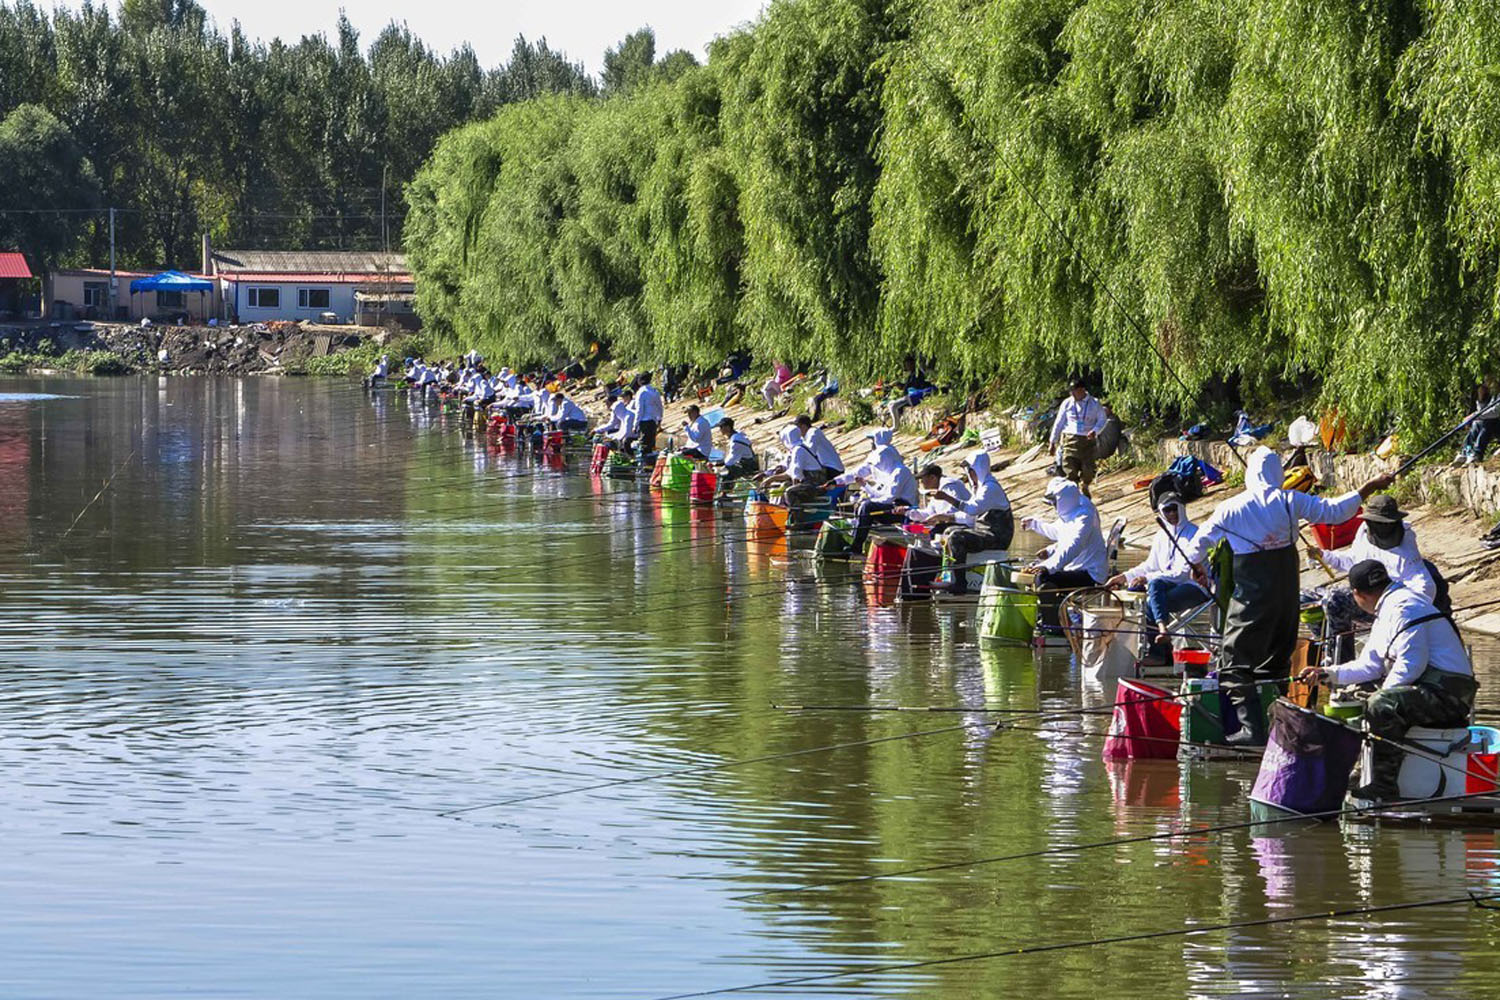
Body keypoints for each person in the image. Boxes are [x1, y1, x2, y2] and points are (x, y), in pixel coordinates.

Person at [1182, 446, 1395, 745]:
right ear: (1276, 474)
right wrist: (1369, 486)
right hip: (1285, 597)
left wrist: (1195, 566)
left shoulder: (1229, 508)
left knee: (1234, 662)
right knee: (1276, 661)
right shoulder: (1289, 500)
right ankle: (1278, 724)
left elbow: (1196, 548)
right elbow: (1336, 511)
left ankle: (1251, 730)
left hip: (1252, 600)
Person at [1298, 560, 1476, 803]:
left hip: (1450, 696)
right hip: (1430, 689)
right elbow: (1369, 665)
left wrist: (1379, 697)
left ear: (1356, 594)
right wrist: (1327, 673)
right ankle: (1363, 770)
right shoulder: (1388, 609)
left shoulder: (1405, 607)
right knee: (1360, 697)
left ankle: (1384, 785)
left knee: (1382, 704)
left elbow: (1411, 665)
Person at [1105, 493, 1208, 664]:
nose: (1172, 514)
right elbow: (1149, 565)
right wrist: (1123, 577)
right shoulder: (1161, 536)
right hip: (1165, 587)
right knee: (1145, 593)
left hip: (1195, 587)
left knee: (1154, 592)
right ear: (1161, 513)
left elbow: (1183, 574)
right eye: (1167, 511)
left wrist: (1147, 578)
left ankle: (1160, 649)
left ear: (1182, 509)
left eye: (1175, 509)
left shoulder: (1193, 533)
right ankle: (1161, 647)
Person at [926, 450, 1014, 595]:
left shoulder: (990, 488)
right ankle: (949, 576)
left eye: (972, 471)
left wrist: (947, 498)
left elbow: (972, 509)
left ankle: (960, 583)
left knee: (956, 538)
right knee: (948, 531)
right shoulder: (980, 488)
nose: (970, 475)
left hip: (997, 536)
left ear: (978, 470)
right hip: (985, 531)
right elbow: (969, 516)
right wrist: (945, 517)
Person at [1024, 477, 1110, 623]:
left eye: (1054, 502)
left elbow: (1074, 545)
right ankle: (1049, 616)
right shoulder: (1072, 512)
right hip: (1076, 568)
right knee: (1036, 574)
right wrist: (1035, 526)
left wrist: (1048, 566)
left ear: (1062, 500)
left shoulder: (1084, 515)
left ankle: (1055, 625)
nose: (1052, 506)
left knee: (1043, 578)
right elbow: (1060, 533)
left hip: (1091, 574)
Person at [835, 430, 918, 554]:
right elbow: (881, 495)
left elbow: (888, 498)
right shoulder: (889, 471)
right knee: (865, 504)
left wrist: (869, 502)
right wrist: (865, 486)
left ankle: (856, 545)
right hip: (893, 505)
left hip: (903, 509)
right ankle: (857, 537)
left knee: (867, 506)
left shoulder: (900, 472)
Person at [1049, 379, 1108, 496]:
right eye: (1071, 392)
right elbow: (1059, 423)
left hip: (1087, 440)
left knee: (1088, 469)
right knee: (1069, 468)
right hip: (1070, 440)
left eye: (1074, 391)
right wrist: (1052, 442)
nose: (1072, 394)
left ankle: (1085, 485)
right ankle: (1074, 491)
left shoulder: (1094, 403)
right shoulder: (1067, 403)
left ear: (1082, 390)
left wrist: (1095, 431)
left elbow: (1102, 420)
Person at [761, 425, 826, 514]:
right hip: (809, 481)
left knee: (790, 492)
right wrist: (770, 479)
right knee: (785, 485)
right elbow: (790, 473)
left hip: (815, 484)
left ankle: (797, 519)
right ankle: (782, 513)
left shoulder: (798, 450)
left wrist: (793, 485)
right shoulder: (798, 448)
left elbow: (796, 473)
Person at [1455, 379, 1500, 466]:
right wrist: (1481, 398)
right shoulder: (1494, 396)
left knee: (1488, 422)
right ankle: (1466, 451)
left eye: (1490, 382)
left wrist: (1475, 416)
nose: (1488, 385)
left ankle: (1477, 453)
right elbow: (1483, 411)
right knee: (1477, 423)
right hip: (1491, 423)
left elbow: (1495, 412)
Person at [885, 354, 934, 428]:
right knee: (890, 403)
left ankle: (895, 427)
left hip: (913, 397)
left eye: (908, 364)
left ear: (913, 363)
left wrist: (903, 386)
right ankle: (895, 424)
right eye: (906, 365)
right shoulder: (911, 375)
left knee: (893, 406)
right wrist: (898, 385)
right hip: (907, 397)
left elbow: (915, 387)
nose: (907, 366)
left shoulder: (917, 374)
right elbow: (906, 387)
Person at [716, 418, 758, 484]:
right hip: (748, 461)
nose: (720, 429)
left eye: (721, 427)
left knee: (725, 472)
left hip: (748, 465)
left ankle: (725, 492)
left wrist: (723, 465)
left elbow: (732, 459)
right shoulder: (738, 434)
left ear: (728, 427)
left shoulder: (736, 441)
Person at [631, 372, 664, 455]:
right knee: (651, 445)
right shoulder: (654, 391)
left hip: (644, 422)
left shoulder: (641, 392)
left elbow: (639, 410)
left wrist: (635, 425)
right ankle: (650, 464)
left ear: (639, 381)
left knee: (643, 446)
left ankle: (644, 465)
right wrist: (659, 419)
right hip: (653, 422)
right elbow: (660, 406)